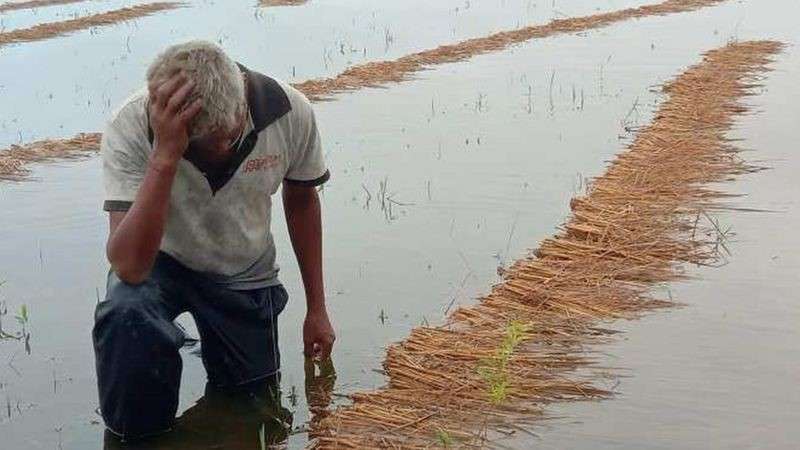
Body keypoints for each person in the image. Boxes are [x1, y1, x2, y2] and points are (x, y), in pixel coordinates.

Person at [92, 40, 335, 441]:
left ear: (242, 103)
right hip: (158, 262)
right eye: (204, 146)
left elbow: (302, 200)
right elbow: (129, 266)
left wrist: (317, 309)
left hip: (243, 266)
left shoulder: (289, 111)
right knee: (126, 314)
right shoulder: (132, 123)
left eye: (229, 137)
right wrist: (165, 156)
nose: (220, 150)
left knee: (253, 405)